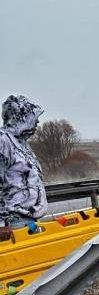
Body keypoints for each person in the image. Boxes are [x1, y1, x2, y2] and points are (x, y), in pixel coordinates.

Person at [0, 95, 46, 242]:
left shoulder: (21, 142)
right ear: (20, 117)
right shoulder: (3, 141)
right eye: (33, 116)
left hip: (28, 220)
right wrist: (1, 223)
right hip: (12, 224)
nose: (37, 121)